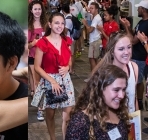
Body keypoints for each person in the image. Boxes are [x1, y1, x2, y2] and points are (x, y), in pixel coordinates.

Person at [31, 12, 75, 140]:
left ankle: (66, 137)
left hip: (65, 80)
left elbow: (69, 59)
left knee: (67, 115)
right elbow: (37, 67)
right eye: (56, 23)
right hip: (49, 80)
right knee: (50, 114)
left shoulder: (67, 40)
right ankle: (52, 138)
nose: (60, 26)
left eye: (62, 23)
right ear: (50, 24)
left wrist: (67, 67)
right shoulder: (43, 43)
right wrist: (52, 81)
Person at [65, 65, 130, 139]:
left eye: (123, 89)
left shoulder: (119, 111)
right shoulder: (80, 124)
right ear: (100, 89)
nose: (121, 95)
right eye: (116, 90)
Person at [81, 2, 103, 81]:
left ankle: (93, 78)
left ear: (96, 9)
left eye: (92, 8)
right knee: (94, 59)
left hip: (95, 41)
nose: (90, 10)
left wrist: (85, 24)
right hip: (94, 40)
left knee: (92, 59)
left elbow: (90, 30)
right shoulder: (94, 17)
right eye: (90, 8)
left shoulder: (96, 18)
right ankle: (95, 76)